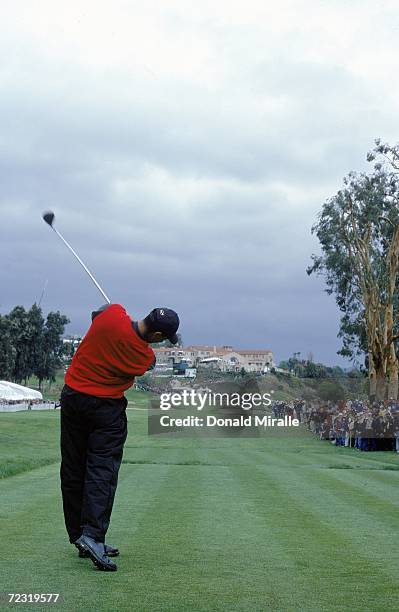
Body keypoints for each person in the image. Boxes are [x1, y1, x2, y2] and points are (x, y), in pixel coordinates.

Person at [60, 303, 180, 571]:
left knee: (73, 467)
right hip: (106, 410)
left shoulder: (113, 313)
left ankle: (80, 535)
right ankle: (92, 536)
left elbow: (96, 314)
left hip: (73, 398)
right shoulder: (142, 357)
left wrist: (115, 320)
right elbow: (147, 363)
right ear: (158, 336)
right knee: (101, 471)